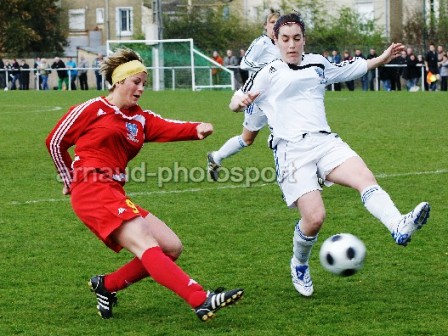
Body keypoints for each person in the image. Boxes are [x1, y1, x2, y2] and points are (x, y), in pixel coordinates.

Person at [229, 13, 431, 297]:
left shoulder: (317, 63)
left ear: (304, 40)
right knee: (314, 219)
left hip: (324, 142)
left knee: (364, 177)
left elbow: (349, 68)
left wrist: (380, 59)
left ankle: (398, 224)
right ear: (275, 42)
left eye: (296, 39)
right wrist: (241, 101)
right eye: (285, 39)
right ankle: (299, 263)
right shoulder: (267, 73)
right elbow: (236, 100)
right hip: (291, 151)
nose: (291, 45)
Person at [45, 48, 243, 321]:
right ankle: (200, 299)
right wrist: (68, 179)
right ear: (118, 81)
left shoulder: (140, 119)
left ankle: (108, 285)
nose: (140, 89)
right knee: (146, 243)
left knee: (171, 247)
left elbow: (168, 126)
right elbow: (55, 142)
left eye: (144, 84)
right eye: (136, 82)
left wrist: (197, 129)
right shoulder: (93, 109)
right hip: (92, 189)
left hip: (113, 191)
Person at [207, 11, 281, 181]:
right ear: (265, 25)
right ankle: (216, 157)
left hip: (277, 98)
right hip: (258, 97)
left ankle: (297, 176)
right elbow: (244, 63)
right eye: (272, 22)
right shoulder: (262, 42)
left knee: (286, 134)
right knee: (247, 139)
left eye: (279, 22)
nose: (275, 25)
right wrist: (268, 67)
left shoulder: (284, 43)